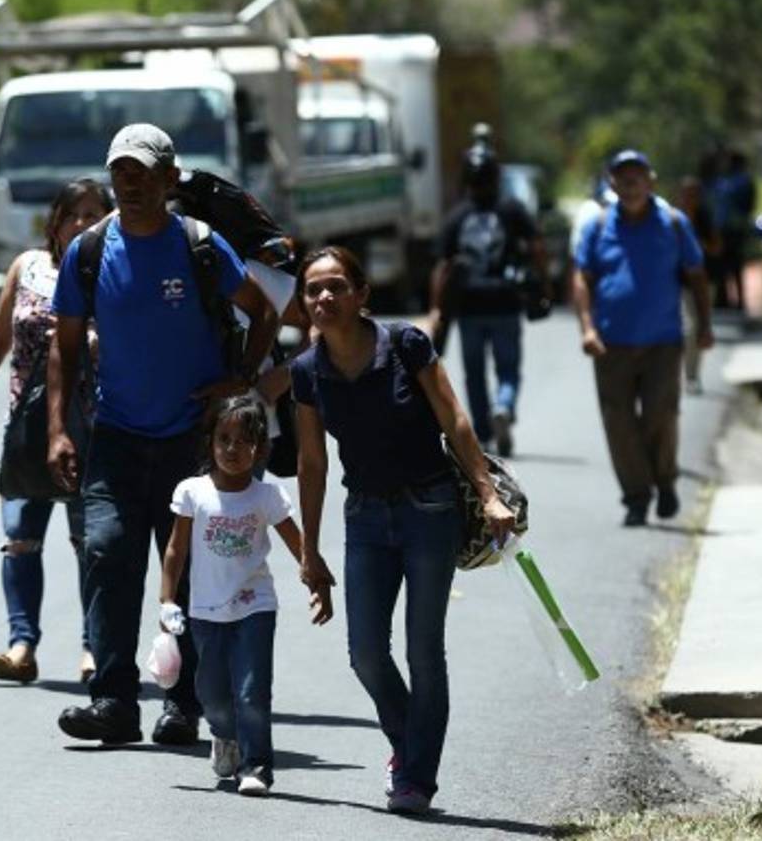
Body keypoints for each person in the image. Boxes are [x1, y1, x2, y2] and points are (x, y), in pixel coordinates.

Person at [47, 123, 280, 747]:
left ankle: (183, 704)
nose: (130, 183)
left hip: (191, 441)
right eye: (121, 172)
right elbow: (64, 349)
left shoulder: (199, 244)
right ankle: (114, 702)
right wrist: (58, 430)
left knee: (190, 573)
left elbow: (263, 309)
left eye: (143, 173)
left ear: (169, 178)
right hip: (116, 437)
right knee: (106, 554)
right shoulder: (89, 251)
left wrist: (239, 380)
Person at [290, 245, 515, 815]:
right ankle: (409, 742)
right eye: (313, 289)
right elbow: (312, 464)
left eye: (337, 286)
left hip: (429, 510)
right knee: (365, 653)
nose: (324, 297)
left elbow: (454, 418)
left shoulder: (405, 345)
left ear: (361, 294)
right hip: (364, 518)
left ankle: (416, 777)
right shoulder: (307, 372)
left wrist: (489, 495)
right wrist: (309, 552)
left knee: (423, 650)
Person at [0, 178, 112, 685]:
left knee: (90, 543)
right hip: (26, 428)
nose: (81, 224)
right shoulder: (27, 267)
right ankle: (21, 646)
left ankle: (93, 648)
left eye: (93, 214)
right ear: (54, 223)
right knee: (20, 538)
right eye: (72, 214)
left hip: (91, 429)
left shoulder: (116, 273)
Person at [159, 395, 332, 797]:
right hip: (205, 611)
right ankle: (225, 736)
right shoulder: (192, 492)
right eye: (224, 439)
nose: (232, 449)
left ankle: (257, 765)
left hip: (256, 606)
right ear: (210, 442)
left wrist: (318, 582)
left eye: (244, 441)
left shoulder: (266, 496)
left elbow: (300, 547)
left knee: (252, 690)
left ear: (260, 448)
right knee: (212, 695)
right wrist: (167, 601)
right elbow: (175, 550)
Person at [573, 149, 713, 527]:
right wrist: (587, 327)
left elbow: (697, 275)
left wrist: (704, 325)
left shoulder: (673, 223)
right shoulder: (598, 226)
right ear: (612, 183)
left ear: (651, 181)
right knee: (618, 422)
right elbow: (582, 278)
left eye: (637, 176)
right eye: (623, 177)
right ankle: (636, 497)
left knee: (660, 415)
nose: (631, 183)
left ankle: (664, 480)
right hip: (610, 344)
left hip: (662, 343)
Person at [428, 145, 550, 457]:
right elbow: (537, 247)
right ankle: (504, 407)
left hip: (468, 306)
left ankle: (484, 434)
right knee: (508, 368)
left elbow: (443, 267)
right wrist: (543, 284)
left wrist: (437, 309)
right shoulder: (512, 209)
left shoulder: (457, 216)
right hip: (505, 302)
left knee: (474, 373)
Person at [677, 176, 720, 394]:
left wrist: (698, 245)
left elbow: (717, 248)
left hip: (704, 281)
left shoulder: (705, 219)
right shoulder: (673, 219)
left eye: (694, 194)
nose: (690, 198)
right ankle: (684, 374)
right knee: (687, 327)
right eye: (687, 194)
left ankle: (693, 375)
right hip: (679, 282)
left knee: (699, 327)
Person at [712, 150, 757, 311]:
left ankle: (736, 301)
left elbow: (748, 205)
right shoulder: (728, 181)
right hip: (727, 229)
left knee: (733, 265)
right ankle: (725, 300)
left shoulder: (740, 182)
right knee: (726, 265)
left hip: (734, 229)